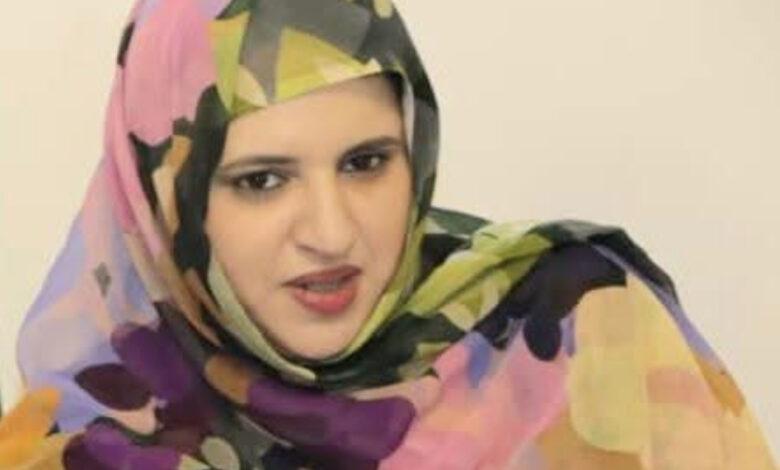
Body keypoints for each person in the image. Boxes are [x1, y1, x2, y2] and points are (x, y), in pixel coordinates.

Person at [0, 0, 775, 468]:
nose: (333, 233)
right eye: (262, 180)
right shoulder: (84, 441)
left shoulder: (582, 327)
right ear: (166, 205)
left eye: (366, 162)